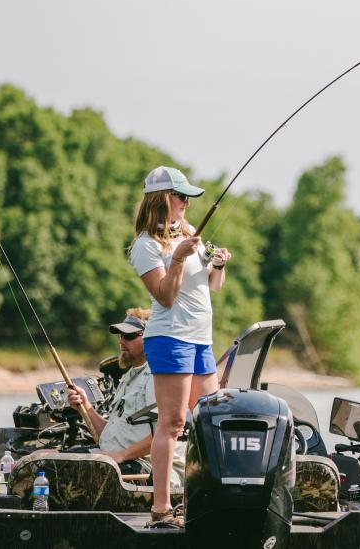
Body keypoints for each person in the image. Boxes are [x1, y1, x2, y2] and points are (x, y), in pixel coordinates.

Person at [128, 166, 232, 528]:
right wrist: (176, 258)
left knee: (208, 423)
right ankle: (161, 508)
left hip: (201, 339)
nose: (187, 203)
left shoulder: (190, 235)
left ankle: (200, 500)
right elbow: (166, 297)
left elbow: (212, 286)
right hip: (170, 338)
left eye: (188, 197)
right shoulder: (144, 246)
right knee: (172, 423)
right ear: (161, 199)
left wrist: (217, 264)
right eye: (180, 196)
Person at [65, 309, 183, 478]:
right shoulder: (128, 376)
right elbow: (109, 438)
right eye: (120, 336)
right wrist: (85, 406)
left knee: (55, 468)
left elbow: (168, 432)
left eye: (129, 336)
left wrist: (122, 455)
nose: (121, 342)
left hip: (145, 465)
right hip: (115, 458)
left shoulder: (157, 376)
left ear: (151, 337)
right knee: (40, 457)